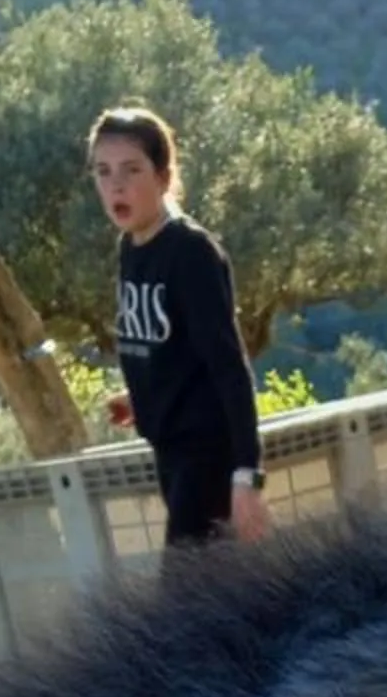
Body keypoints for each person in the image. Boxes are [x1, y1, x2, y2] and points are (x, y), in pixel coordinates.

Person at [87, 103, 269, 551]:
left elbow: (229, 366)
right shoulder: (130, 247)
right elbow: (171, 344)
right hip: (168, 452)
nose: (117, 185)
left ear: (164, 177)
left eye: (132, 170)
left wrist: (247, 477)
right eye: (103, 172)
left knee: (185, 597)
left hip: (206, 454)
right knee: (213, 601)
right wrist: (144, 394)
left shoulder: (191, 252)